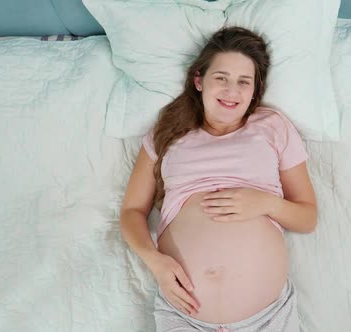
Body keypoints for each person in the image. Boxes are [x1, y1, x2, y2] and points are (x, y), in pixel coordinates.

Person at [119, 26, 317, 332]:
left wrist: (266, 203)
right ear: (199, 80)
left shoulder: (272, 126)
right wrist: (155, 262)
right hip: (184, 316)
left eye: (243, 82)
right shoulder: (167, 132)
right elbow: (132, 211)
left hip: (266, 318)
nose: (232, 91)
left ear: (255, 90)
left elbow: (307, 217)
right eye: (221, 78)